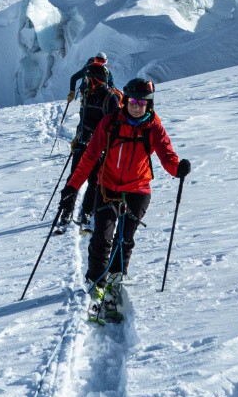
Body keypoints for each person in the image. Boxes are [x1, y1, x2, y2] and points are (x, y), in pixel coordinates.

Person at [64, 76, 190, 292]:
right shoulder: (110, 123)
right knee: (101, 238)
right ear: (126, 101)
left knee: (124, 239)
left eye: (142, 103)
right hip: (107, 187)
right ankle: (95, 281)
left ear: (149, 104)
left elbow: (167, 155)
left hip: (138, 189)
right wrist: (72, 187)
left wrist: (177, 169)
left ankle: (116, 275)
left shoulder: (154, 128)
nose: (137, 107)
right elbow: (90, 157)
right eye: (133, 102)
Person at [56, 55, 120, 228]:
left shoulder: (108, 97)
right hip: (85, 143)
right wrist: (78, 136)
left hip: (96, 147)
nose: (85, 84)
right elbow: (84, 120)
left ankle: (81, 213)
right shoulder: (91, 95)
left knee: (90, 180)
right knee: (84, 180)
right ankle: (77, 213)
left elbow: (114, 127)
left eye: (88, 80)